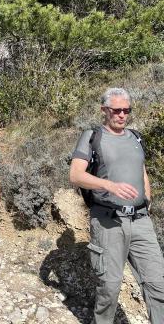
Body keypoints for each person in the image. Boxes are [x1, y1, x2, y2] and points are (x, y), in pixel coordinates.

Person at [69, 87, 164, 323]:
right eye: (117, 110)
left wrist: (146, 200)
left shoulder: (136, 137)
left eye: (126, 110)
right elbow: (76, 175)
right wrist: (109, 185)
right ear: (104, 110)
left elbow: (142, 172)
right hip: (108, 221)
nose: (122, 115)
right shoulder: (92, 136)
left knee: (158, 284)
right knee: (109, 289)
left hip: (141, 221)